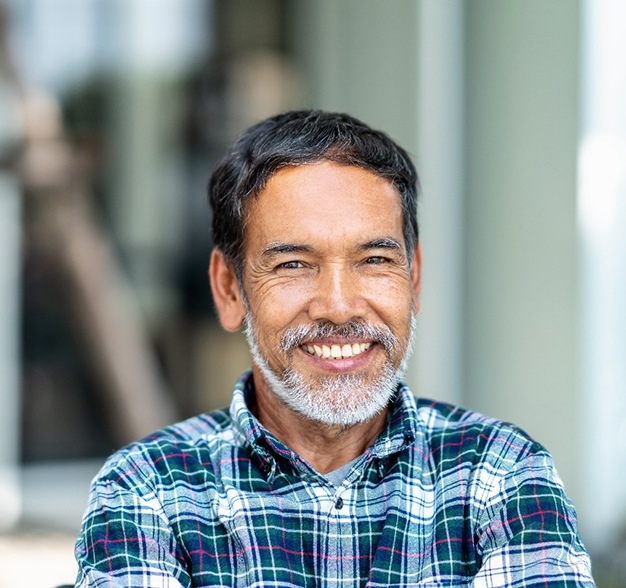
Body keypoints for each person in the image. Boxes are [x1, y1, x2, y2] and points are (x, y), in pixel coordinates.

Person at [75, 110, 595, 587]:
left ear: (413, 280)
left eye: (374, 260)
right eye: (294, 265)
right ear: (230, 290)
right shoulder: (149, 491)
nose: (340, 307)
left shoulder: (500, 473)